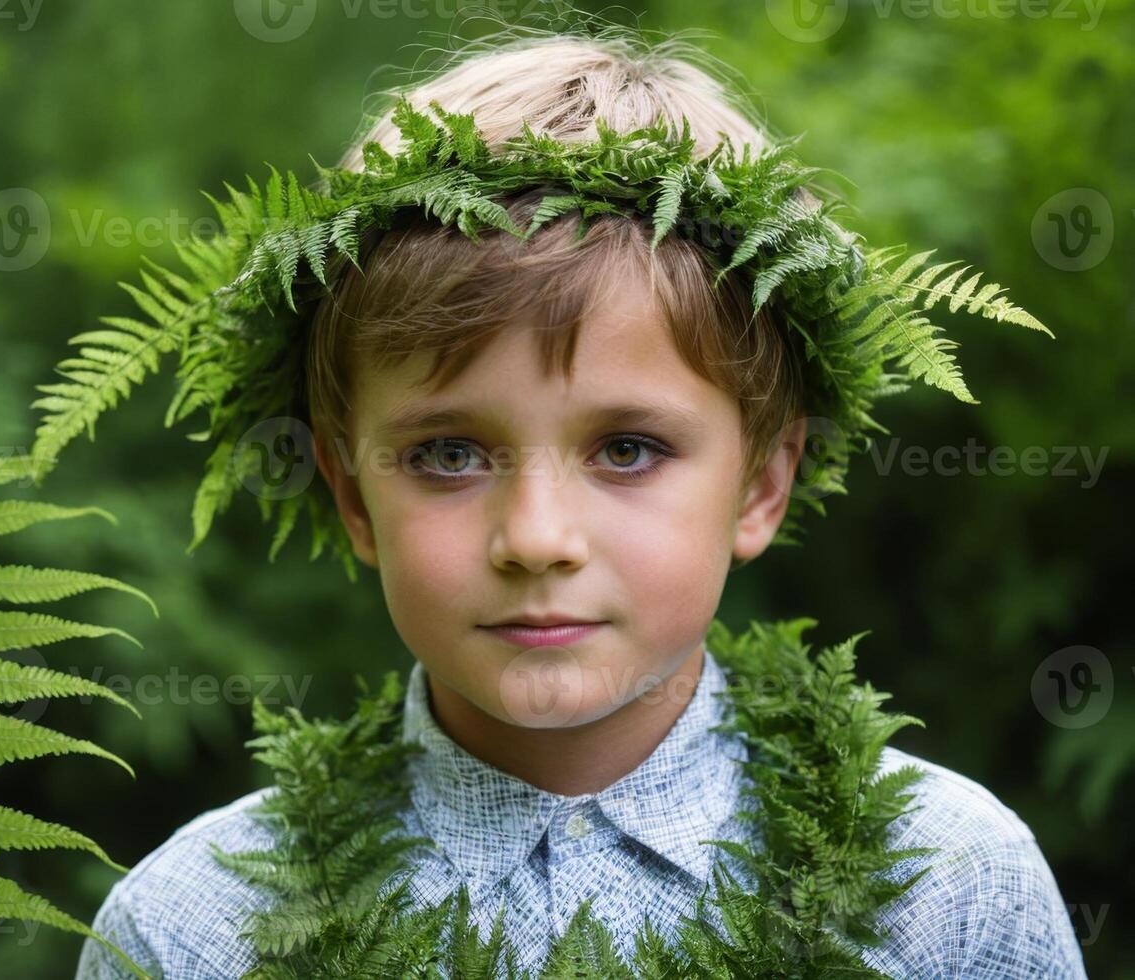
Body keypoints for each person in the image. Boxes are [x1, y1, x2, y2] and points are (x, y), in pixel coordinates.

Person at [72, 23, 1087, 980]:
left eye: (629, 448)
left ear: (761, 482)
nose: (537, 540)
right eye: (450, 453)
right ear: (351, 494)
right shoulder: (198, 926)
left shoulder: (947, 888)